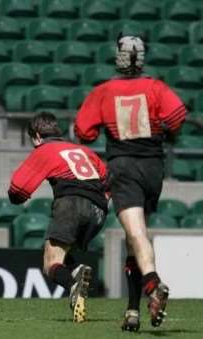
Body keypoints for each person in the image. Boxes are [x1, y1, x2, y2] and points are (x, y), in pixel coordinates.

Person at [74, 35, 186, 331]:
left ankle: (153, 286)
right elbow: (176, 118)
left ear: (118, 58)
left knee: (136, 235)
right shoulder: (156, 87)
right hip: (153, 168)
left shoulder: (104, 91)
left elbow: (84, 132)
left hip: (124, 167)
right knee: (136, 239)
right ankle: (132, 310)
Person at [8, 112, 108, 323]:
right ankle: (77, 271)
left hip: (71, 203)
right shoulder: (84, 150)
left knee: (50, 263)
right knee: (62, 254)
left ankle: (74, 287)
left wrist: (15, 198)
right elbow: (109, 180)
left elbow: (18, 188)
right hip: (99, 210)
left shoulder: (45, 150)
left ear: (36, 135)